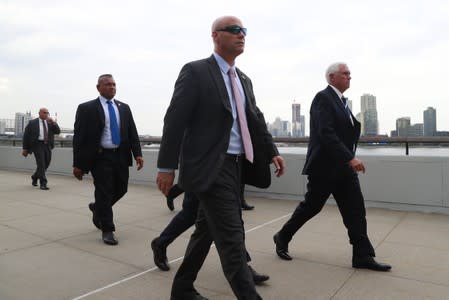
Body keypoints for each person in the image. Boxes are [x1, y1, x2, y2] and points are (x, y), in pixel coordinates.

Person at [157, 15, 285, 300]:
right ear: (216, 36)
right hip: (211, 166)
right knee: (231, 238)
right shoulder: (196, 72)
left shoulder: (243, 79)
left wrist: (272, 151)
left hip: (238, 165)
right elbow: (175, 121)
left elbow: (255, 119)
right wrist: (166, 167)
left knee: (206, 230)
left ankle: (182, 288)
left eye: (244, 31)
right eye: (235, 30)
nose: (242, 35)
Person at [273, 62, 391, 272]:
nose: (349, 76)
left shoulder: (342, 102)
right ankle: (282, 236)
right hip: (325, 168)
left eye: (349, 74)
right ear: (332, 77)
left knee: (355, 210)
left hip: (343, 169)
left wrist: (348, 158)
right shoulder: (323, 98)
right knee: (311, 207)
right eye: (345, 74)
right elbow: (326, 133)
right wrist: (350, 158)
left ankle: (362, 256)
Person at [72, 74, 144, 246]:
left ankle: (98, 208)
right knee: (104, 192)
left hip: (120, 155)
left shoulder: (124, 108)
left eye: (114, 84)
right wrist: (78, 164)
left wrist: (138, 154)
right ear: (98, 87)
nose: (112, 87)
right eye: (107, 84)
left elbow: (131, 132)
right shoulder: (86, 108)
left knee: (122, 188)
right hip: (100, 157)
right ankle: (108, 229)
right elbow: (79, 138)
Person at [151, 186, 269, 286]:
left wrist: (272, 156)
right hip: (200, 168)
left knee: (234, 217)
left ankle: (242, 267)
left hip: (228, 170)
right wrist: (166, 168)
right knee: (191, 213)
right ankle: (161, 243)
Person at [22, 108, 61, 190]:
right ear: (39, 113)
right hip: (37, 145)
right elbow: (26, 136)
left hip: (47, 145)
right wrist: (25, 148)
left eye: (47, 113)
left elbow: (58, 131)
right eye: (44, 112)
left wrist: (54, 122)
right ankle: (43, 183)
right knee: (41, 164)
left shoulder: (50, 122)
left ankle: (35, 177)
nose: (46, 114)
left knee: (46, 163)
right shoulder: (32, 123)